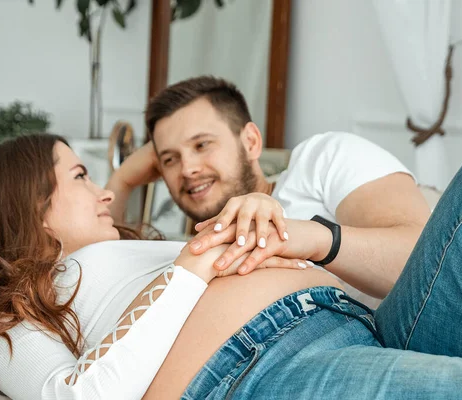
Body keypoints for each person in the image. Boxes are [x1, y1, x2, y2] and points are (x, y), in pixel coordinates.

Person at [0, 134, 462, 400]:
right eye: (80, 175)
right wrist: (193, 266)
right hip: (256, 369)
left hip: (364, 327)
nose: (103, 193)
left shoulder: (126, 252)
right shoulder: (10, 301)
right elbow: (75, 398)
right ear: (29, 207)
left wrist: (266, 223)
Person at [105, 76, 431, 306]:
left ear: (250, 141)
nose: (187, 168)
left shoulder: (322, 159)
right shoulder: (196, 256)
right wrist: (123, 180)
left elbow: (428, 265)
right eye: (169, 159)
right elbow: (102, 265)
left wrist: (314, 239)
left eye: (202, 144)